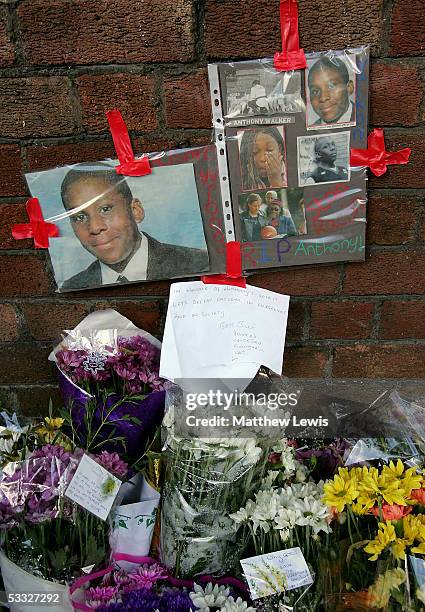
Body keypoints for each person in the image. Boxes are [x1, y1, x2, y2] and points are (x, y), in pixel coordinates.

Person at [60, 164, 209, 290]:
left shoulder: (199, 264)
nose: (95, 227)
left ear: (135, 211)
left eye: (105, 209)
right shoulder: (71, 287)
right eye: (80, 217)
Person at [307, 56, 355, 127]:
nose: (323, 98)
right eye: (315, 91)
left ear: (349, 88)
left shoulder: (362, 116)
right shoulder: (310, 130)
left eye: (331, 86)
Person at [239, 127, 287, 191]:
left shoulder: (291, 176)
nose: (262, 158)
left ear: (280, 150)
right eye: (255, 151)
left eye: (269, 150)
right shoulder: (242, 183)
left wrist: (277, 182)